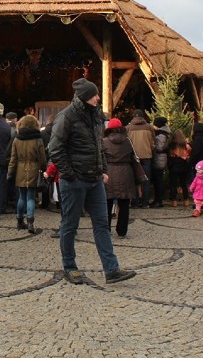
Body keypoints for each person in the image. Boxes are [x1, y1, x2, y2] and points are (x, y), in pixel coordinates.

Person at [48, 77, 136, 285]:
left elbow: (98, 145)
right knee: (70, 225)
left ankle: (111, 269)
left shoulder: (95, 115)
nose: (99, 97)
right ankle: (70, 266)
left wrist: (102, 169)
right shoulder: (66, 117)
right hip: (75, 181)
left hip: (95, 179)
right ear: (85, 97)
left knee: (101, 225)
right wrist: (70, 174)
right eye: (95, 94)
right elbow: (55, 148)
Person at [102, 118, 144, 238]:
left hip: (109, 173)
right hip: (126, 173)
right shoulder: (128, 142)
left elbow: (99, 158)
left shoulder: (103, 142)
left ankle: (106, 229)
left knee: (107, 203)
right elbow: (133, 158)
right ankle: (122, 231)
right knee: (124, 204)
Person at [7, 114, 46, 234]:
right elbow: (42, 158)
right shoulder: (38, 139)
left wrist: (10, 172)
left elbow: (13, 158)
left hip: (20, 169)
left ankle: (19, 220)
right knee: (31, 197)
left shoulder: (17, 140)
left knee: (22, 197)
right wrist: (43, 169)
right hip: (34, 169)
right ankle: (30, 222)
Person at [126, 109, 154, 208]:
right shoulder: (149, 127)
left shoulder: (128, 128)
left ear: (133, 116)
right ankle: (145, 203)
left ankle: (134, 202)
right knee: (146, 180)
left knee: (133, 180)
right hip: (146, 156)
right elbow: (152, 142)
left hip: (133, 157)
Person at [150, 117, 170, 208]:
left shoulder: (162, 134)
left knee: (158, 180)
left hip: (159, 158)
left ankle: (159, 200)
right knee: (157, 180)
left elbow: (159, 147)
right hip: (160, 158)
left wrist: (152, 146)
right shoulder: (162, 133)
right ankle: (157, 200)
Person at [167, 129, 191, 207]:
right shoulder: (185, 145)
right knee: (184, 183)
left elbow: (168, 154)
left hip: (173, 165)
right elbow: (190, 152)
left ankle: (174, 201)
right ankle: (186, 200)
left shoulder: (171, 145)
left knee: (173, 184)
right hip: (183, 165)